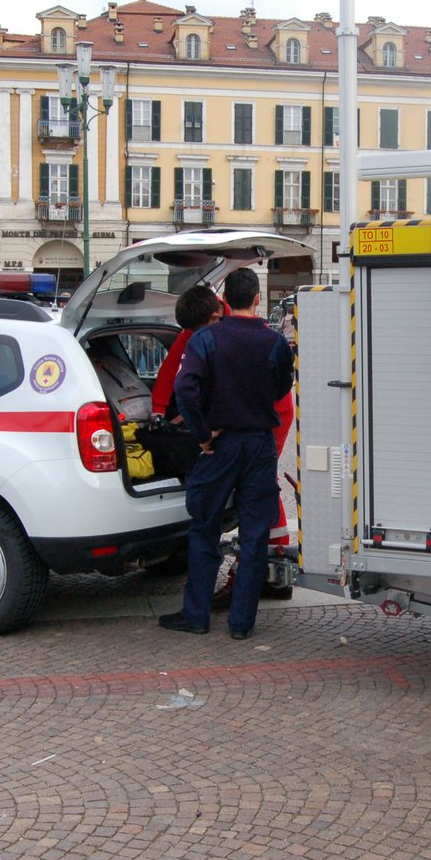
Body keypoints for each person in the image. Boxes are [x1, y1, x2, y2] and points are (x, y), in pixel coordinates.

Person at [161, 268, 294, 641]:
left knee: (204, 527)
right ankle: (241, 624)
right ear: (256, 299)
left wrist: (202, 432)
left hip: (220, 445)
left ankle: (196, 615)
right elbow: (284, 384)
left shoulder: (205, 339)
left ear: (226, 301)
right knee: (254, 534)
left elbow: (185, 387)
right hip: (259, 445)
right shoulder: (275, 342)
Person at [150, 286, 224, 421]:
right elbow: (169, 369)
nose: (196, 337)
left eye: (199, 332)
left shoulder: (235, 330)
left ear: (215, 318)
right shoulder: (195, 325)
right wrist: (158, 411)